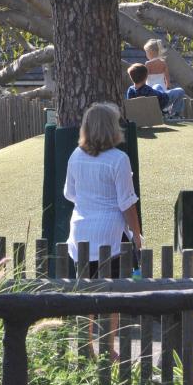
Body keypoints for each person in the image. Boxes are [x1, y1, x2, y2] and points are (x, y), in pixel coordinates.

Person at [64, 102, 143, 279]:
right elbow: (127, 204)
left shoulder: (75, 155)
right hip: (110, 236)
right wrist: (137, 236)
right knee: (112, 297)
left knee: (86, 296)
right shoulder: (119, 159)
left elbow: (69, 193)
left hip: (80, 233)